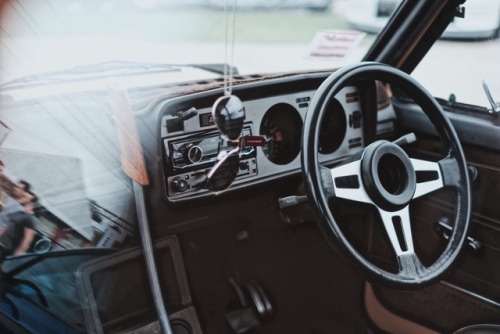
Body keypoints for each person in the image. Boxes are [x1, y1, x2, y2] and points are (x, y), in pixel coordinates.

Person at [0, 192, 38, 262]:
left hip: (7, 248)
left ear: (31, 203)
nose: (22, 197)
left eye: (25, 197)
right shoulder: (18, 213)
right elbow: (6, 227)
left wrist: (18, 253)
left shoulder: (30, 219)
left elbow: (28, 238)